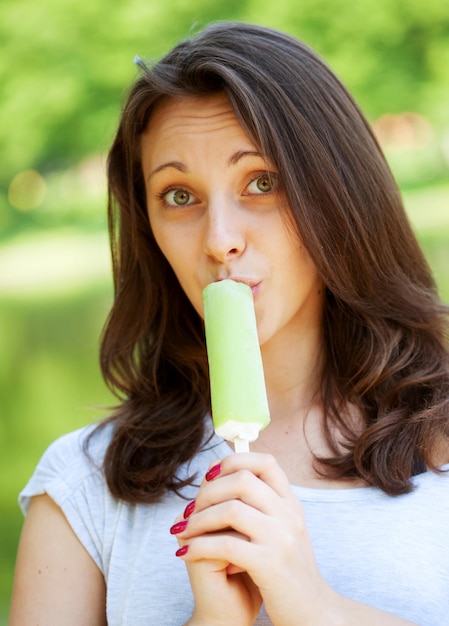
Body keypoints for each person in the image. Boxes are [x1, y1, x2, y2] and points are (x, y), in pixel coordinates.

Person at [8, 21, 449, 626]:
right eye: (179, 196)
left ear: (341, 194)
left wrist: (311, 605)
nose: (219, 240)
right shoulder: (84, 486)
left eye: (261, 182)